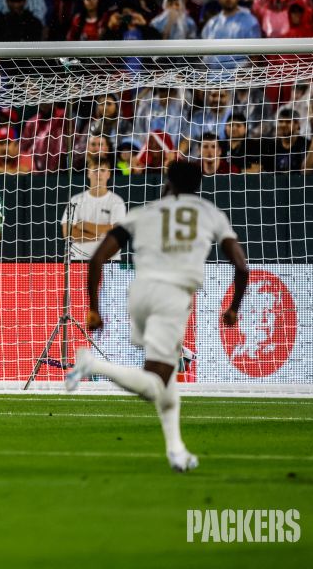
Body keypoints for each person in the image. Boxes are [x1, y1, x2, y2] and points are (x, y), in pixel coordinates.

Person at [66, 159, 251, 473]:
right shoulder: (209, 213)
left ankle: (176, 450)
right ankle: (91, 364)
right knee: (156, 382)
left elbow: (97, 258)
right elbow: (241, 266)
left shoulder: (145, 212)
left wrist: (94, 307)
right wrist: (233, 308)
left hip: (139, 293)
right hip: (172, 297)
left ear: (168, 182)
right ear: (199, 184)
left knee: (168, 377)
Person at [62, 158, 128, 261]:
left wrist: (84, 225)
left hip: (109, 262)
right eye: (95, 170)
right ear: (88, 173)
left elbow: (118, 233)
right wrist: (102, 234)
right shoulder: (76, 200)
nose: (99, 174)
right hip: (78, 260)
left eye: (102, 170)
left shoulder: (117, 201)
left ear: (109, 174)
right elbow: (67, 233)